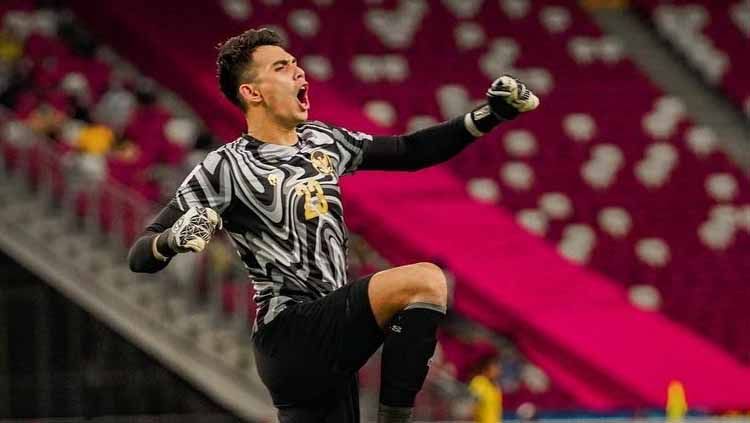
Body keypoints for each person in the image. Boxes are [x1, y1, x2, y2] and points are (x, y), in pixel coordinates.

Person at [127, 28, 539, 423]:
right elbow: (139, 255)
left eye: (295, 64)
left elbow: (410, 151)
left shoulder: (322, 140)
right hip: (290, 332)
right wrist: (173, 239)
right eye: (281, 67)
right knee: (426, 280)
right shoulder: (226, 165)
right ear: (252, 93)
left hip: (329, 340)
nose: (299, 72)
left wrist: (490, 115)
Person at [467, 344, 503, 423]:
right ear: (485, 367)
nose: (498, 369)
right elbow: (470, 405)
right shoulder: (479, 382)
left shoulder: (495, 386)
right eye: (494, 366)